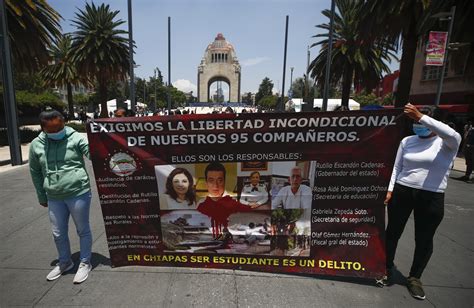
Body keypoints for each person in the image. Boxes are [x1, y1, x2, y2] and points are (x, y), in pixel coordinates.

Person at [382, 104, 461, 300]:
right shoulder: (407, 141)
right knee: (392, 232)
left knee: (424, 239)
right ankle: (386, 267)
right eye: (415, 121)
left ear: (434, 122)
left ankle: (415, 278)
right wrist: (390, 189)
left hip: (431, 195)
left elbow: (451, 134)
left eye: (420, 121)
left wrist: (421, 117)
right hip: (403, 190)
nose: (417, 124)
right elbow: (397, 166)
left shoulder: (448, 143)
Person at [29, 110, 94, 284]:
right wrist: (41, 194)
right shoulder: (36, 145)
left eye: (59, 127)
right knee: (58, 233)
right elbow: (35, 171)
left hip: (78, 192)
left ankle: (85, 262)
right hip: (54, 196)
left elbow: (93, 153)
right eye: (51, 129)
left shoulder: (76, 138)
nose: (57, 131)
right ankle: (65, 261)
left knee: (83, 229)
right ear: (43, 128)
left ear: (64, 123)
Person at [197, 162, 257, 239]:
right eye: (211, 180)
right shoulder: (200, 205)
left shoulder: (235, 204)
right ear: (206, 183)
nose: (216, 185)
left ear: (224, 181)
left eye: (220, 180)